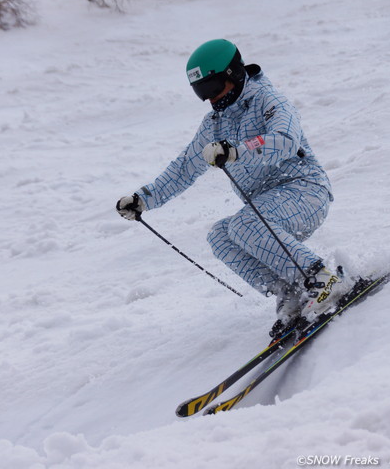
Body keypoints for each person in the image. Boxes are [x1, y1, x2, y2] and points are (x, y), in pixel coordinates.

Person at [117, 39, 344, 339]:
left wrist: (238, 150)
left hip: (305, 191)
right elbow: (185, 167)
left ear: (233, 73)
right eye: (201, 93)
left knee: (244, 224)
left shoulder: (269, 100)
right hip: (268, 207)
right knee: (221, 235)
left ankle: (322, 279)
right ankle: (289, 292)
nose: (209, 99)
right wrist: (143, 200)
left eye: (212, 88)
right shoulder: (215, 123)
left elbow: (286, 139)